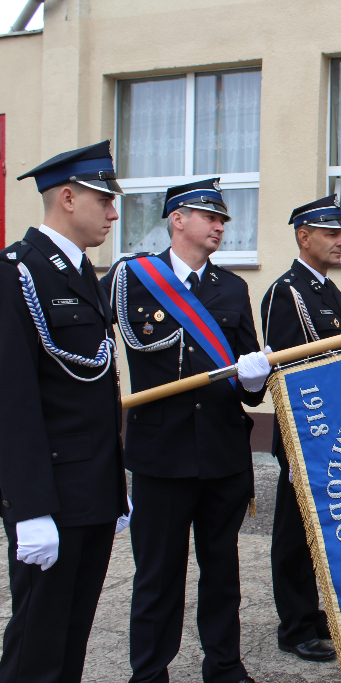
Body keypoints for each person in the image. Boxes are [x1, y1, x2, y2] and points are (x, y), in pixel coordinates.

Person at [99, 178, 271, 683]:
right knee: (157, 576)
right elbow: (89, 340)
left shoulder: (232, 288)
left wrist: (255, 380)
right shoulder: (131, 278)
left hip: (221, 453)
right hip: (161, 455)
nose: (220, 227)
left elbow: (250, 389)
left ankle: (225, 667)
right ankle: (150, 673)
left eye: (223, 220)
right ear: (178, 219)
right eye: (210, 217)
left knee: (222, 572)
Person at [0, 141, 130, 683]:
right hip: (51, 497)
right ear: (69, 198)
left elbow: (94, 390)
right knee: (37, 647)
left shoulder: (81, 273)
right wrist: (28, 509)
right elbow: (12, 400)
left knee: (72, 639)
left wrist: (114, 488)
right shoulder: (18, 273)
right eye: (104, 200)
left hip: (91, 491)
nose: (113, 213)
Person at [260, 195, 341, 662]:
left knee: (319, 528)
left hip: (332, 429)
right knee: (294, 534)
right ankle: (294, 626)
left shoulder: (325, 290)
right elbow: (288, 374)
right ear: (304, 236)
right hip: (306, 432)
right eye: (331, 233)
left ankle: (311, 612)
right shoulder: (287, 292)